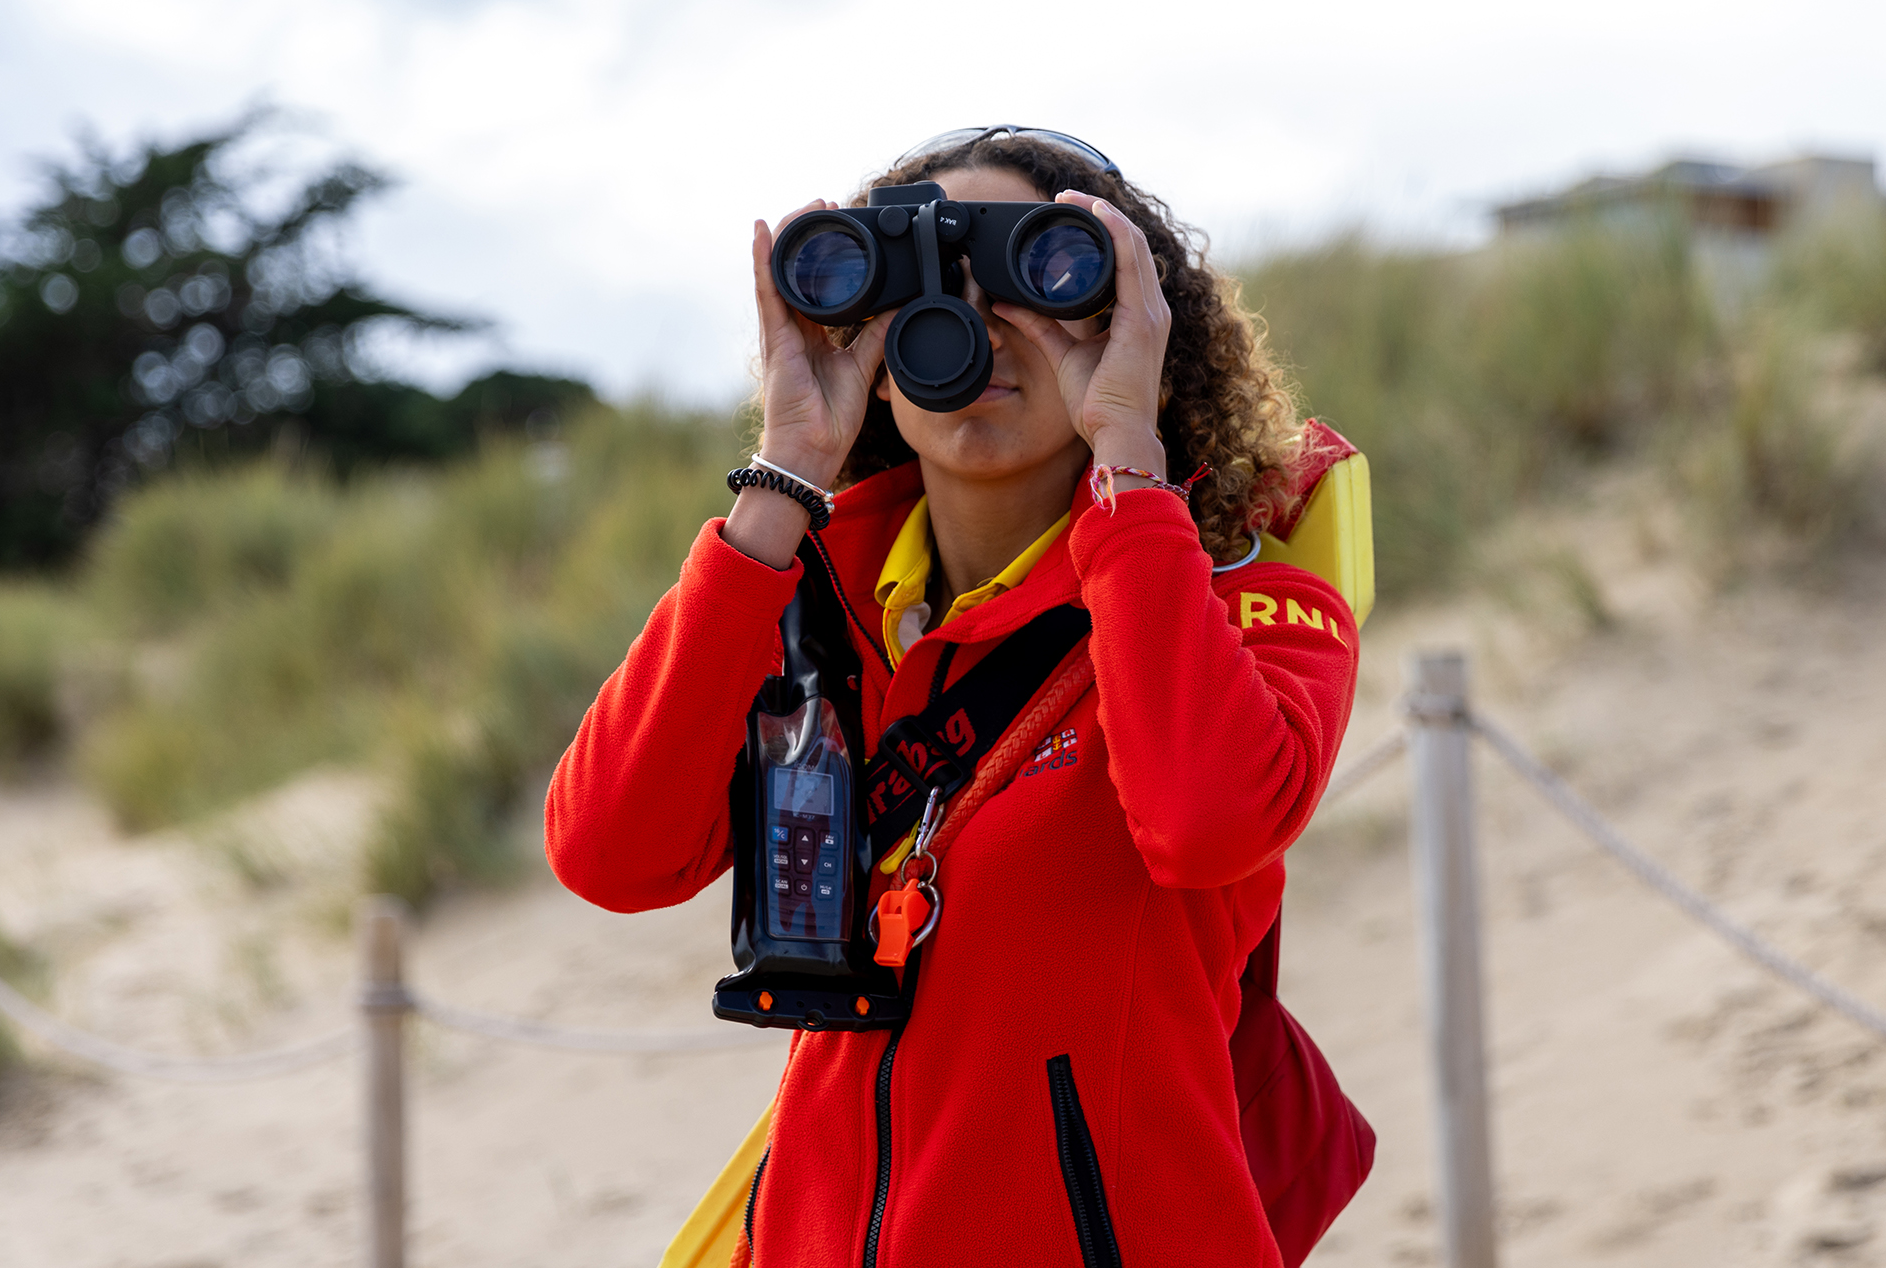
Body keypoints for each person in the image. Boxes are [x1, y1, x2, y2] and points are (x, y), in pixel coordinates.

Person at [544, 129, 1361, 1268]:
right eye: (923, 282)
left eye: (1036, 276)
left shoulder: (1243, 615)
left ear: (1129, 313)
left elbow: (1202, 818)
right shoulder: (815, 619)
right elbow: (609, 851)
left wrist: (1126, 455)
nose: (972, 329)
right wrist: (784, 474)